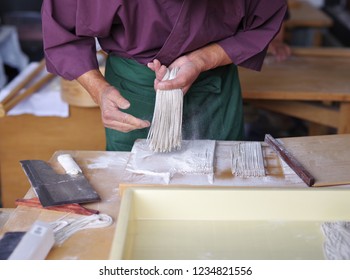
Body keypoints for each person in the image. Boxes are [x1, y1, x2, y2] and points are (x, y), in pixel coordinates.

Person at [42, 0, 288, 151]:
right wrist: (100, 91)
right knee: (137, 186)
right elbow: (63, 33)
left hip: (214, 85)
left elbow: (265, 19)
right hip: (132, 88)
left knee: (221, 187)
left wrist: (203, 59)